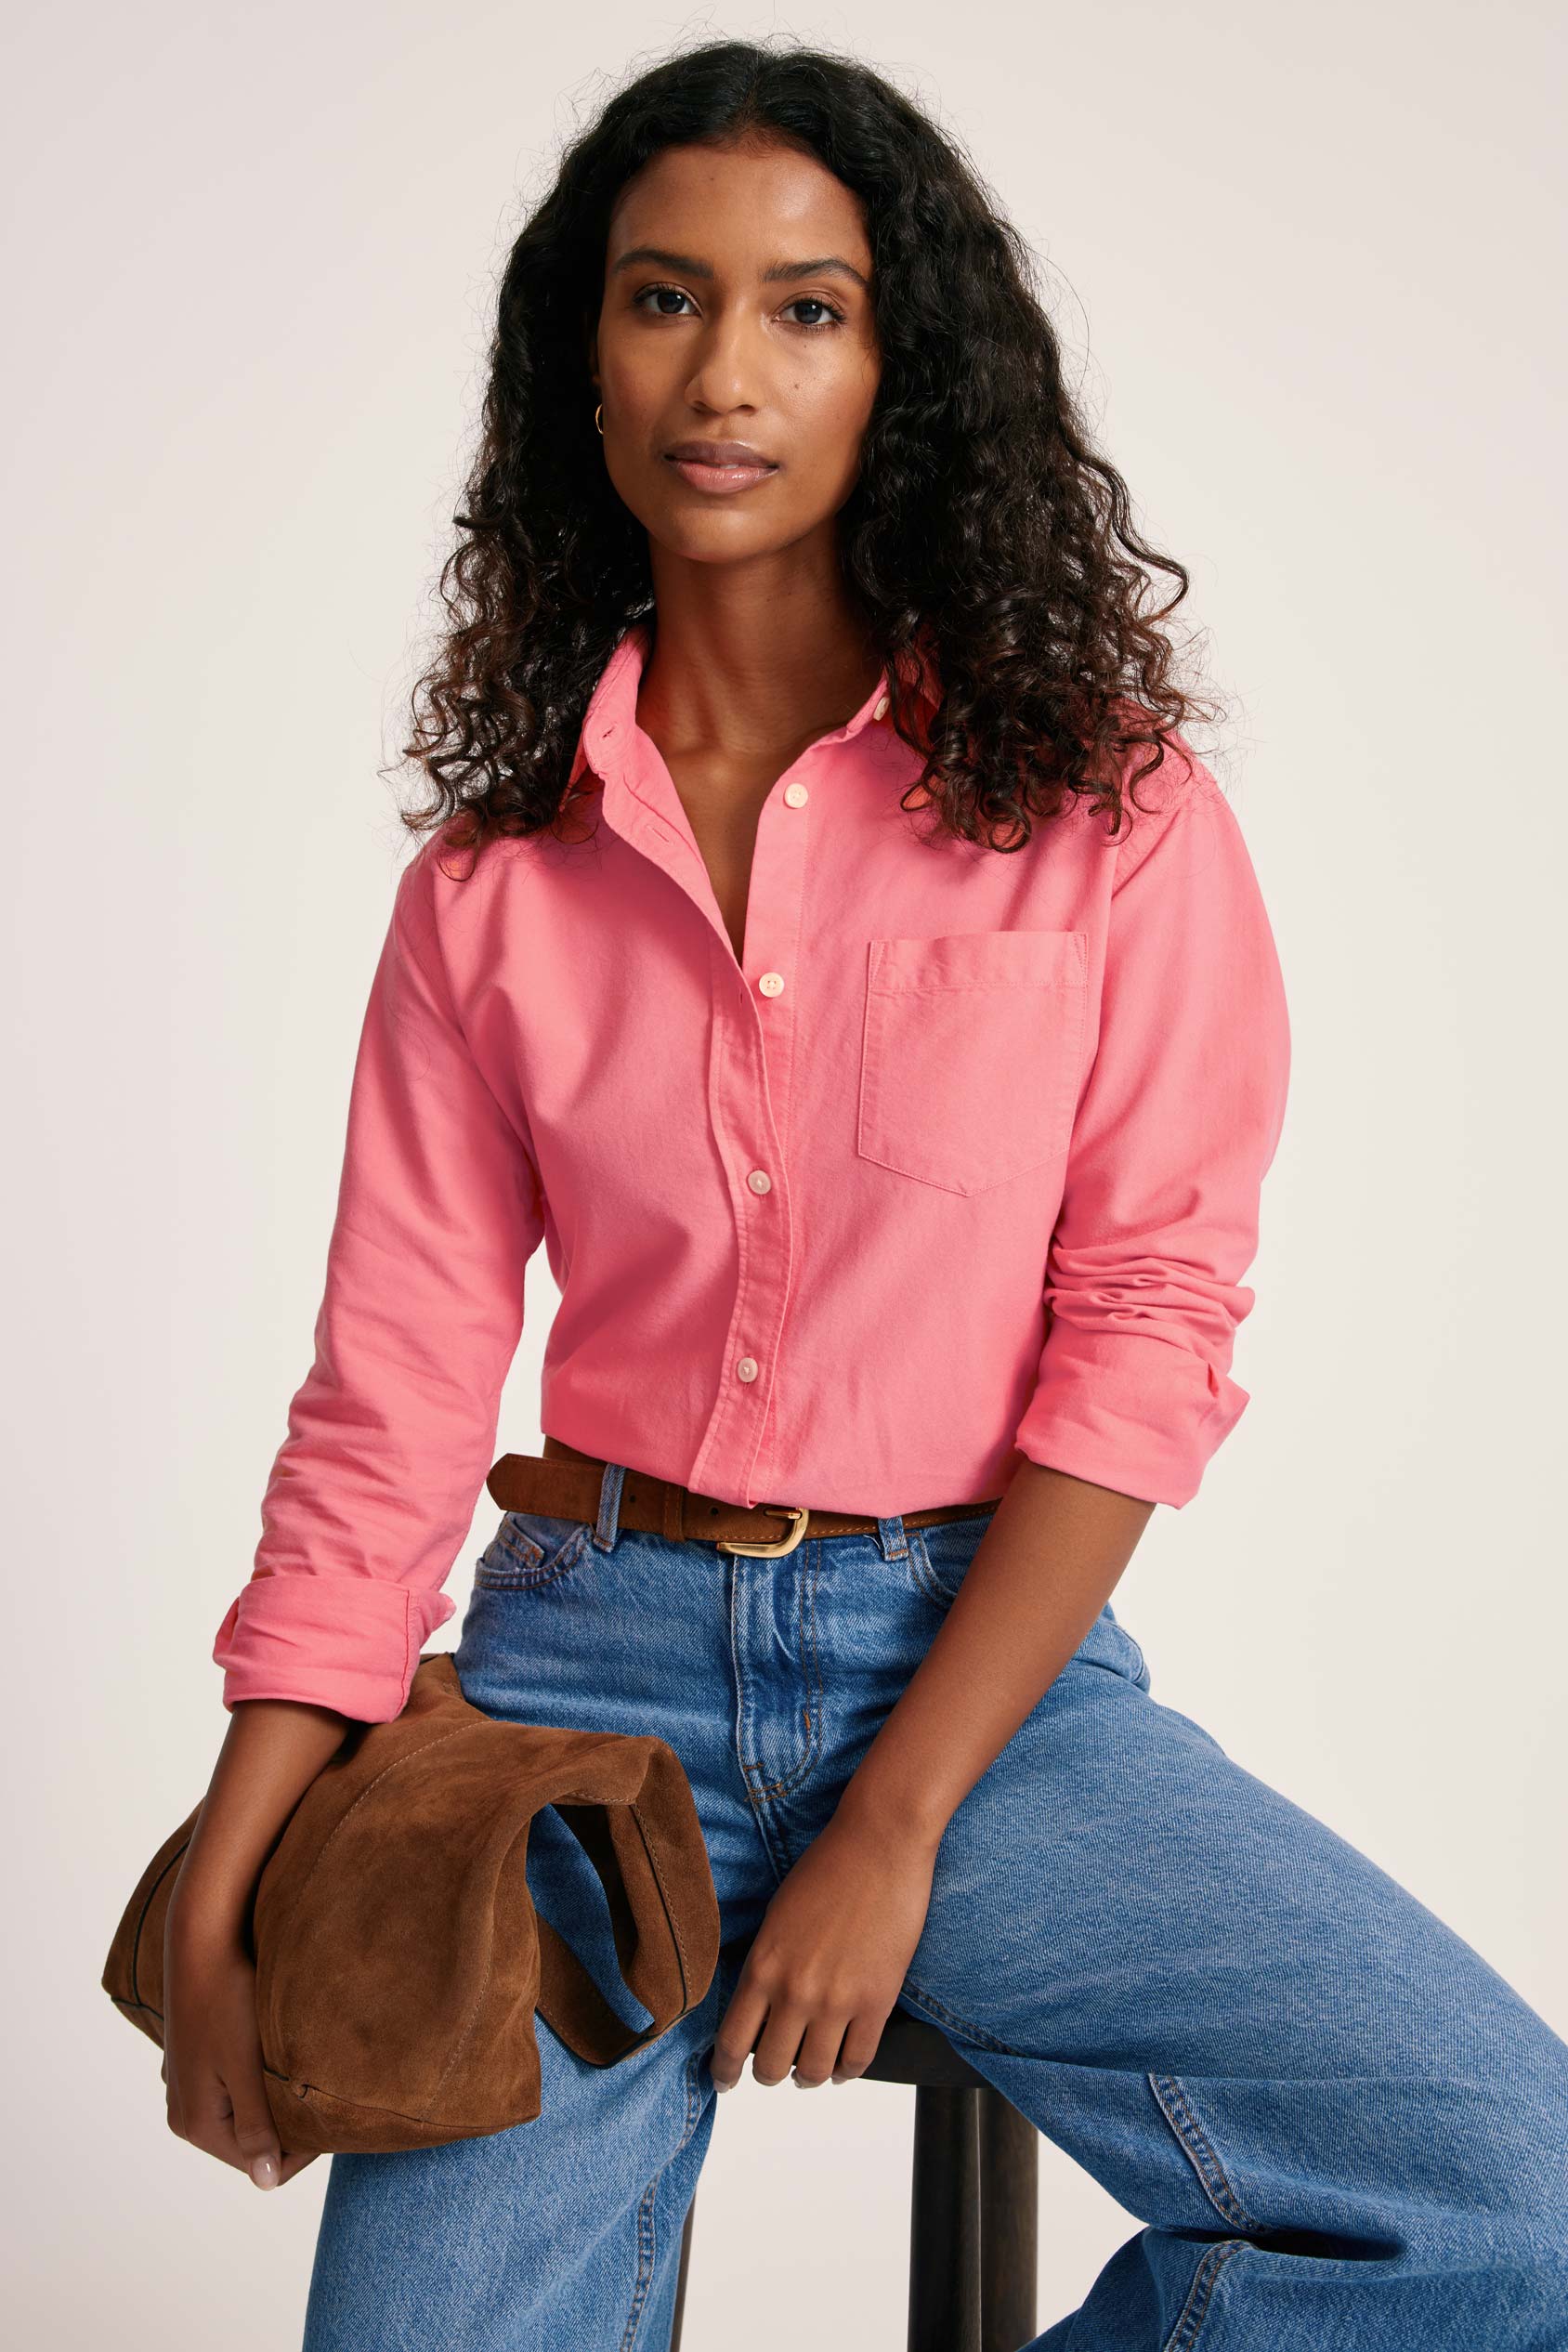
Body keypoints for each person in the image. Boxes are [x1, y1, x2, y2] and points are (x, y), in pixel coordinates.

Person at [159, 37, 1568, 2352]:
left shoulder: (1107, 821)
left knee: (1504, 2200)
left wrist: (898, 1821)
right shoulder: (492, 886)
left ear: (902, 373)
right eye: (661, 299)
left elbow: (1141, 1328)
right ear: (577, 365)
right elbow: (390, 1390)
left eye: (806, 307)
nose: (726, 372)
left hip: (987, 1685)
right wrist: (236, 1864)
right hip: (573, 1702)